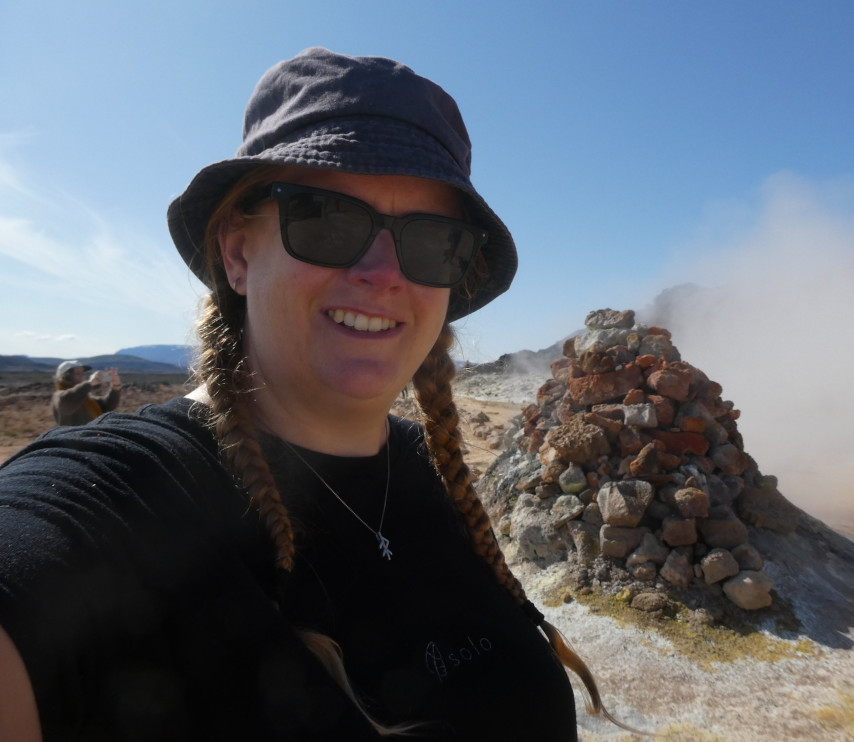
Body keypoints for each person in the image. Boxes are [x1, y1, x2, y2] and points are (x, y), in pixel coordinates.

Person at [0, 48, 620, 740]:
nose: (382, 273)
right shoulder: (115, 502)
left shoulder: (431, 471)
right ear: (237, 252)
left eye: (432, 239)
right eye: (325, 218)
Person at [50, 361, 122, 426]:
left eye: (82, 373)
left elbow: (107, 406)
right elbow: (67, 402)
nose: (82, 376)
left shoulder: (85, 398)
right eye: (78, 373)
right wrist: (89, 384)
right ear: (65, 376)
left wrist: (115, 387)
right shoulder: (59, 396)